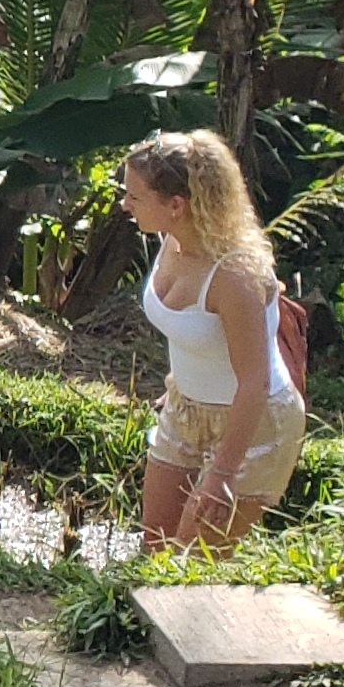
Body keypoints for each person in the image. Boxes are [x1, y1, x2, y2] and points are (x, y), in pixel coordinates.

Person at [124, 129, 305, 554]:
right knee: (155, 552)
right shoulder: (171, 238)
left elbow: (253, 382)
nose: (124, 205)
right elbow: (197, 334)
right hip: (186, 409)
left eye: (135, 197)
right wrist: (184, 381)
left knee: (190, 570)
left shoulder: (234, 276)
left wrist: (221, 472)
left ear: (176, 205)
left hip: (253, 422)